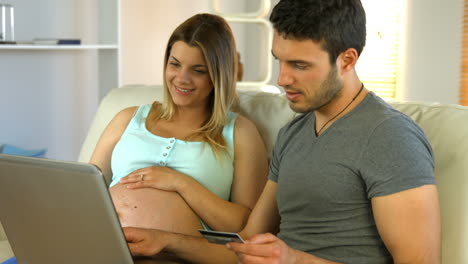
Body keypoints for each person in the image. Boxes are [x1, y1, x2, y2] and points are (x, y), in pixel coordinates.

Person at [123, 0, 441, 263]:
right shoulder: (294, 133)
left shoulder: (390, 136)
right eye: (279, 62)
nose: (282, 79)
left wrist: (294, 259)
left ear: (347, 60)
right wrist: (163, 241)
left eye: (299, 65)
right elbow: (244, 245)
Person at [89, 13, 268, 238]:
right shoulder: (127, 119)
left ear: (218, 76)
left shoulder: (240, 133)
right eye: (175, 64)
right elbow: (85, 192)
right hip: (105, 245)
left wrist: (180, 183)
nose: (182, 78)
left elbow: (247, 226)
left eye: (198, 70)